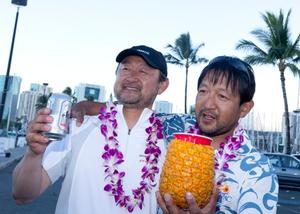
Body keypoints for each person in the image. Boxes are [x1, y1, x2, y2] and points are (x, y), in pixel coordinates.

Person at [12, 45, 218, 214]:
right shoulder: (80, 125)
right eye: (125, 69)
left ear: (162, 85)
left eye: (143, 71)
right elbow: (23, 195)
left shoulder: (173, 144)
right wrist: (33, 154)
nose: (131, 77)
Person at [73, 56, 279, 213]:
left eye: (222, 96)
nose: (207, 104)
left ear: (244, 108)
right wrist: (85, 106)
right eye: (203, 91)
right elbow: (130, 110)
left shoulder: (258, 172)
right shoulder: (177, 127)